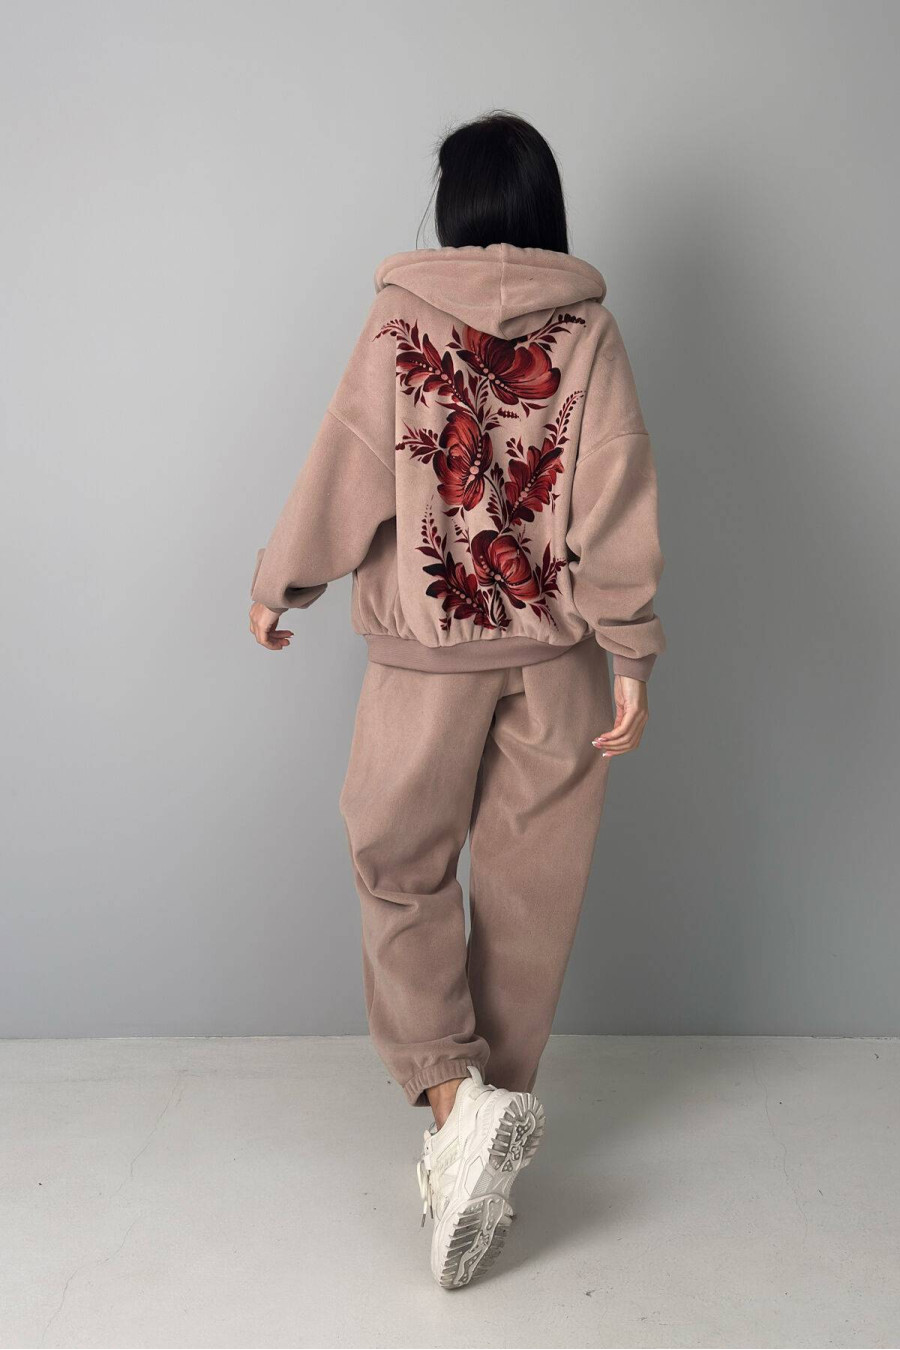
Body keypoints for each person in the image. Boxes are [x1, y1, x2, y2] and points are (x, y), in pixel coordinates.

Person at [249, 111, 665, 1288]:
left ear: (455, 205)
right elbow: (616, 484)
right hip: (558, 662)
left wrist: (283, 580)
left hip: (427, 660)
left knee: (397, 865)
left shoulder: (403, 318)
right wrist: (631, 651)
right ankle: (485, 1128)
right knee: (531, 901)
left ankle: (454, 1107)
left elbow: (346, 464)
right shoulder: (591, 330)